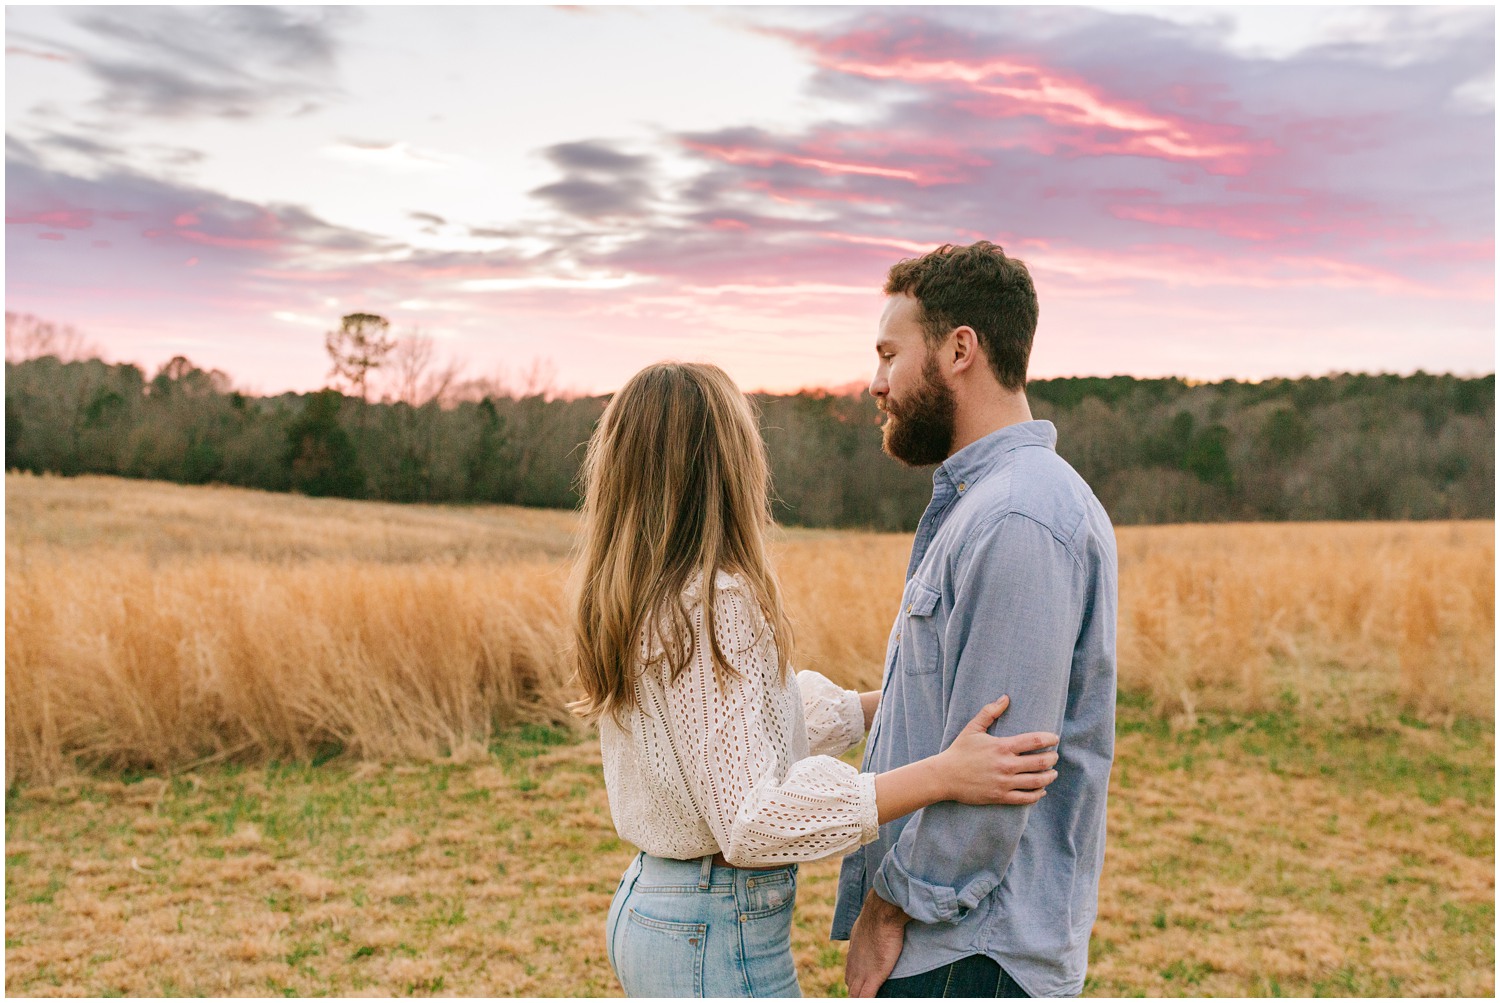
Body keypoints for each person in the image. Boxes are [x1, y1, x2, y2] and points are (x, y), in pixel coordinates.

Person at [569, 361, 1064, 998]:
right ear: (729, 462)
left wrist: (881, 706)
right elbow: (753, 824)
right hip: (711, 932)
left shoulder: (649, 591)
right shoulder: (712, 601)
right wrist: (943, 775)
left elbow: (733, 733)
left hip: (659, 907)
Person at [833, 242, 1118, 998]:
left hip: (967, 955)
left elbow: (997, 774)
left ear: (960, 349)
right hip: (957, 950)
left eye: (890, 353)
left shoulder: (1018, 515)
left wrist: (887, 909)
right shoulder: (986, 505)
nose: (875, 383)